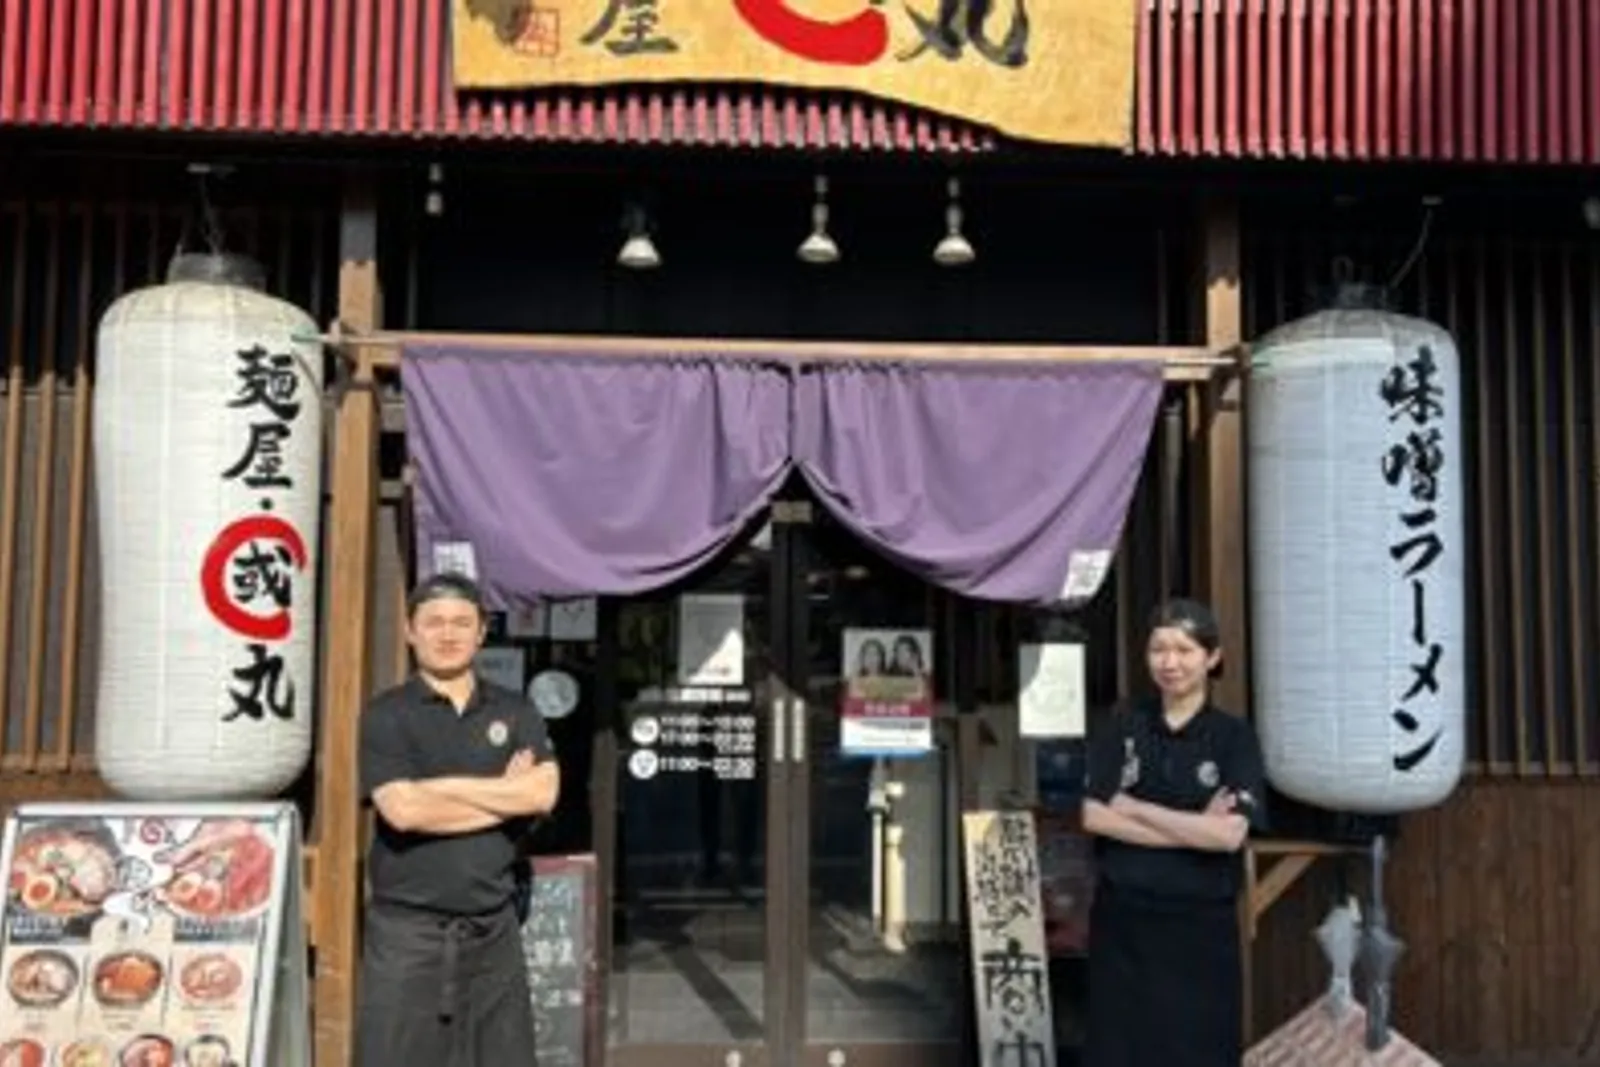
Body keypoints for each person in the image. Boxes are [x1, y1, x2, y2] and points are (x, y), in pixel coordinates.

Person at [356, 572, 560, 1067]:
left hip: (494, 926)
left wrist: (440, 788)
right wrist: (500, 796)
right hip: (408, 934)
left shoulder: (514, 710)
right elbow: (403, 812)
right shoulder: (387, 715)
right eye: (434, 623)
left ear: (481, 632)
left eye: (461, 623)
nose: (448, 634)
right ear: (410, 631)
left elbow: (541, 793)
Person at [1081, 598, 1266, 1067]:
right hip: (1124, 924)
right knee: (1119, 1051)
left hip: (1200, 928)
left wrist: (1136, 807)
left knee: (1197, 1051)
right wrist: (1194, 827)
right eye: (1158, 649)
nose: (1170, 662)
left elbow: (1229, 837)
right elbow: (1094, 817)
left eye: (1184, 650)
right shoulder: (1124, 727)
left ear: (1213, 658)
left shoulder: (1233, 738)